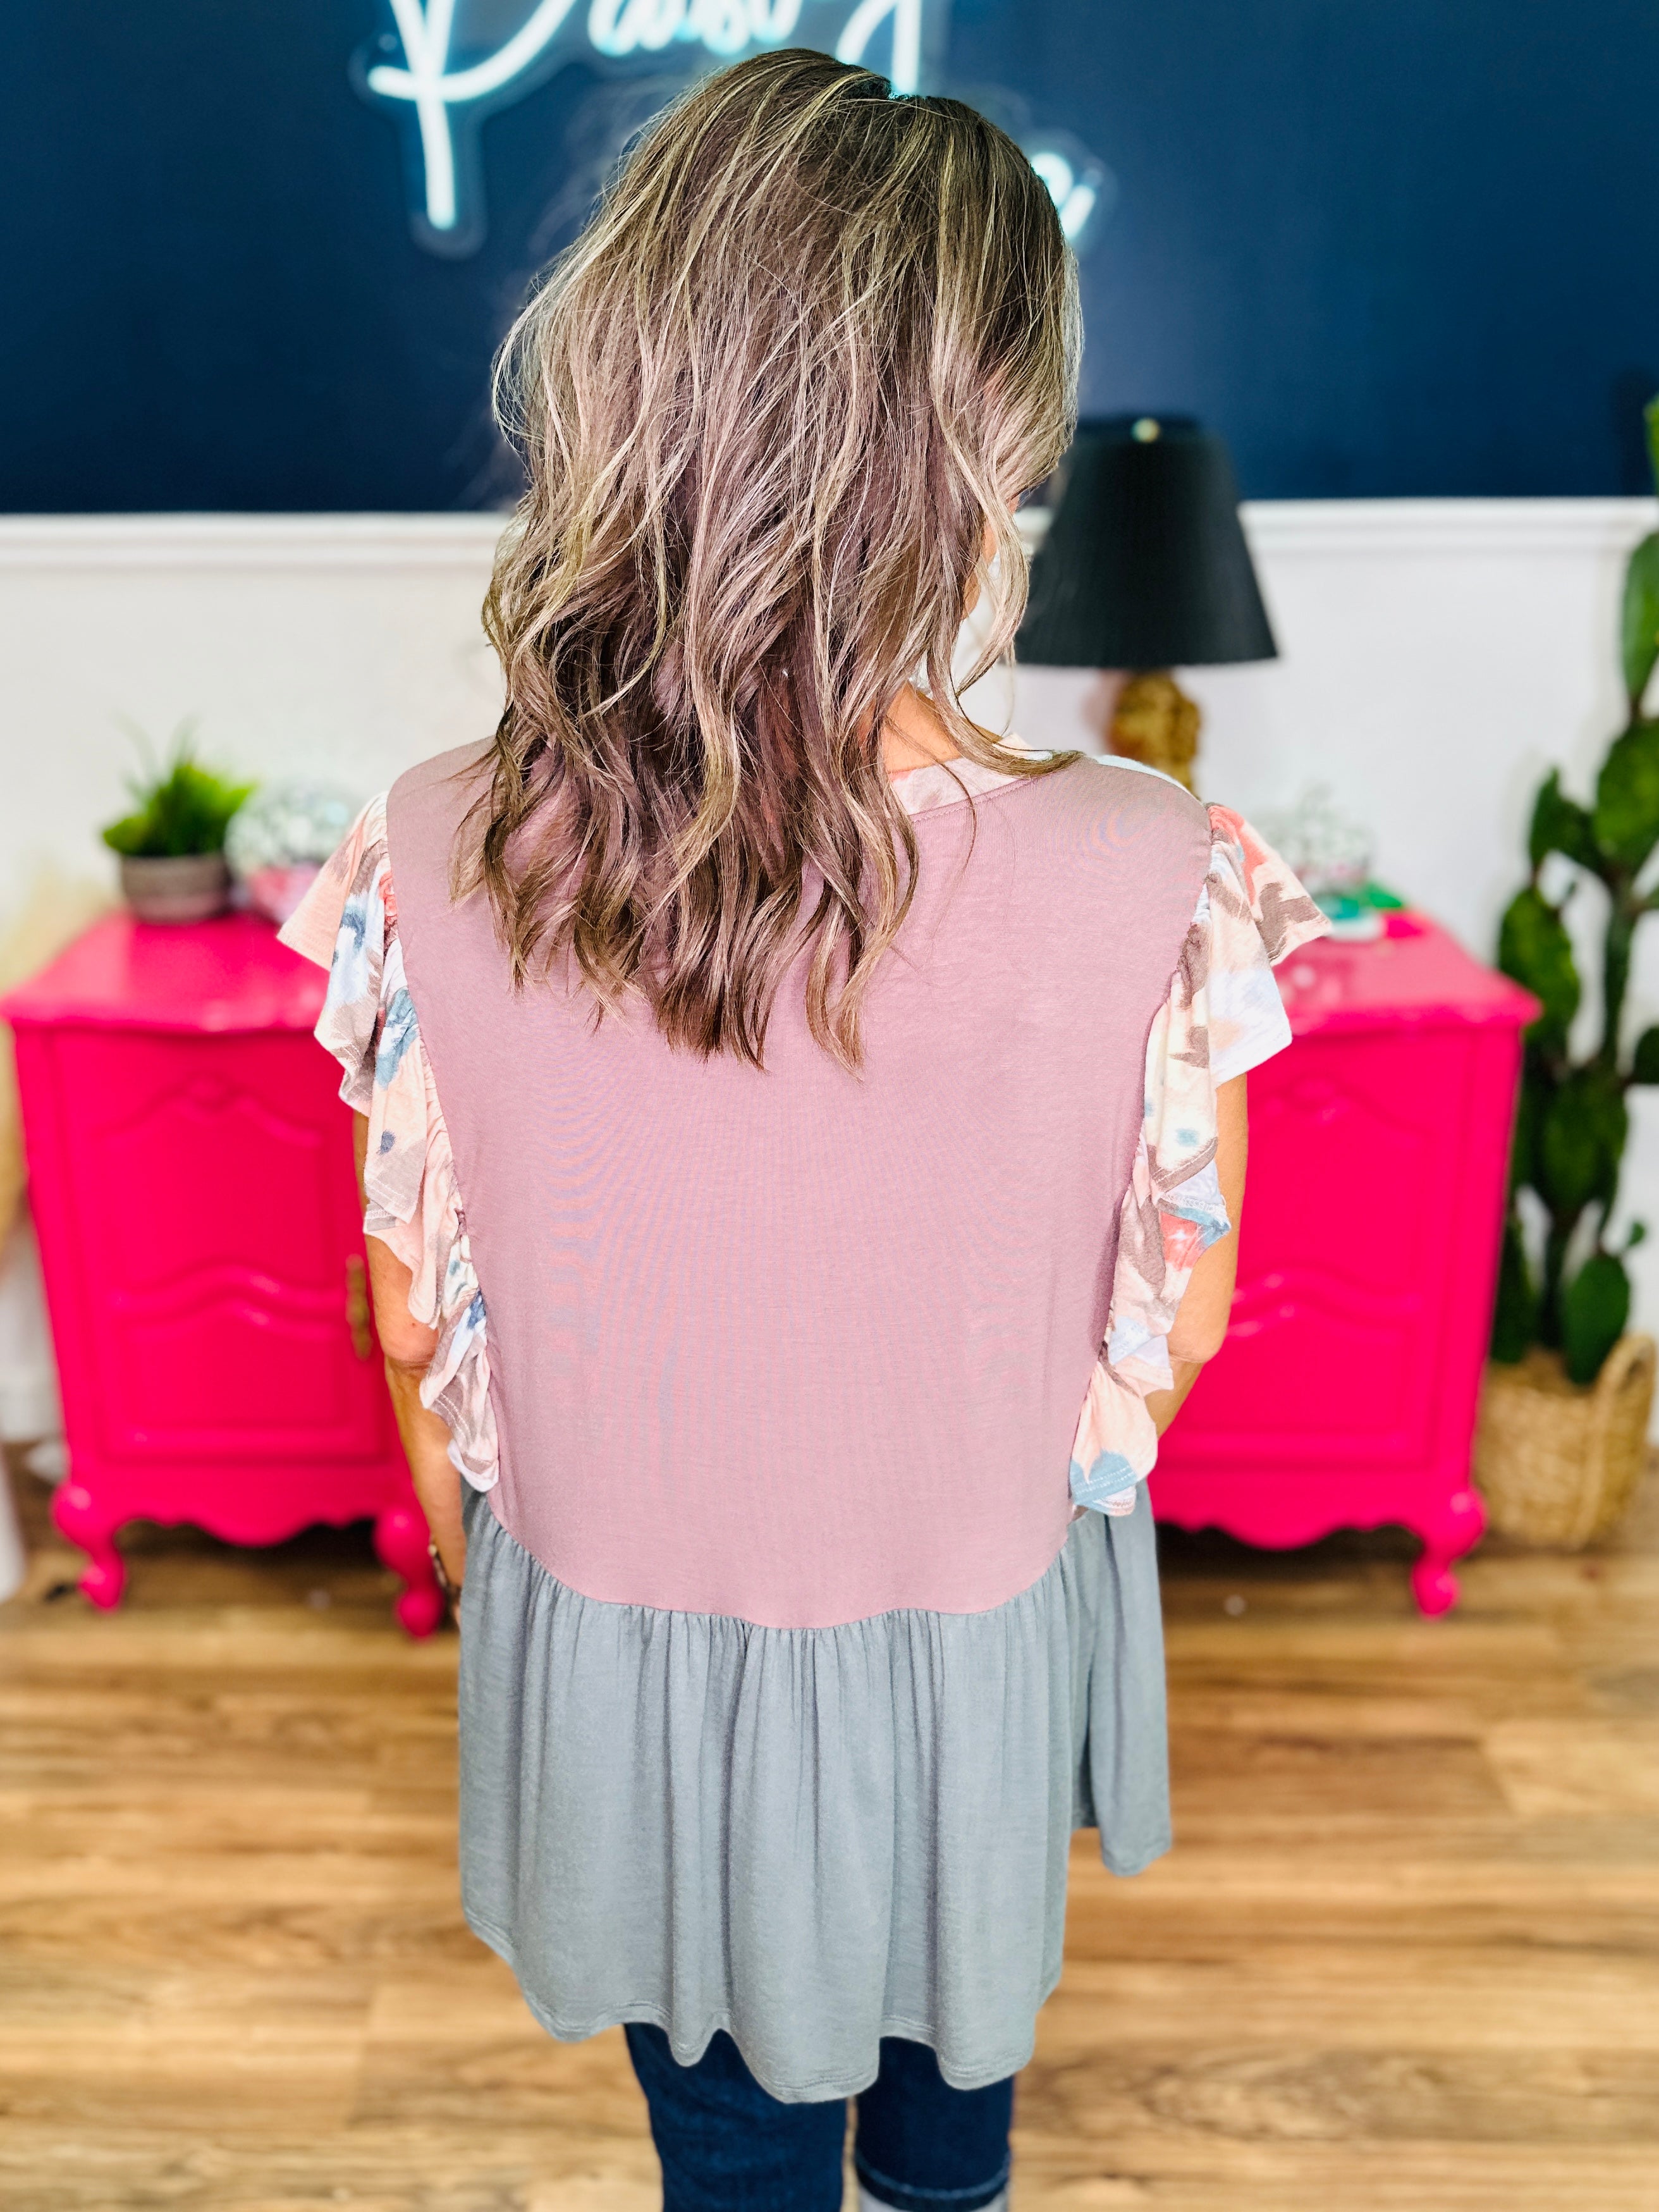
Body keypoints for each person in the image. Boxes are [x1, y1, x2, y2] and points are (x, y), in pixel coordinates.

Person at [281, 47, 1324, 2212]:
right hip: (969, 1666)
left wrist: (521, 1586)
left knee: (730, 2164)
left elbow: (414, 1320)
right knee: (951, 2131)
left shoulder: (428, 847)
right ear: (990, 433)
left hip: (638, 1685)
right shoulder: (1157, 862)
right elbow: (1185, 1320)